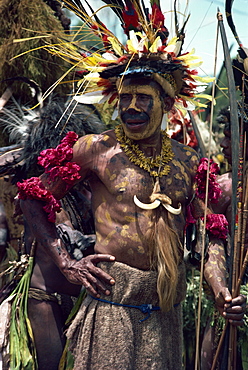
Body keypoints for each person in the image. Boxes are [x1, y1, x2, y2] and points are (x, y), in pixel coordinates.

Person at [16, 1, 246, 369]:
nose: (131, 107)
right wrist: (66, 262)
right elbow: (31, 197)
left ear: (167, 104)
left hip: (162, 309)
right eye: (125, 98)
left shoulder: (187, 163)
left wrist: (219, 289)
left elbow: (209, 233)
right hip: (110, 303)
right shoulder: (97, 150)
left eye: (143, 98)